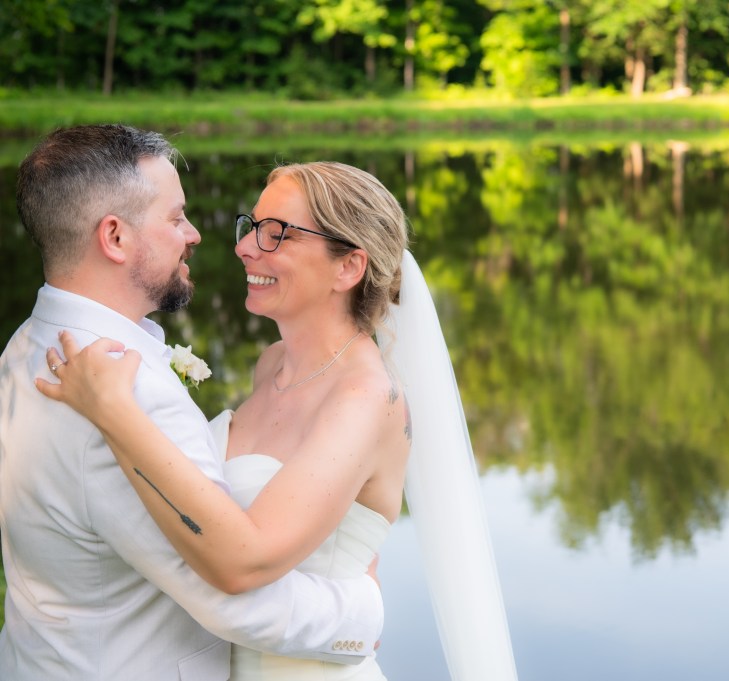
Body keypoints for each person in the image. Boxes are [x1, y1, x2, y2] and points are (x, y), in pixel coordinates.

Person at [38, 161, 519, 681]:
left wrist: (114, 412)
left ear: (348, 268)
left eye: (277, 234)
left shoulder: (366, 396)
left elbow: (246, 560)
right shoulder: (272, 364)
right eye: (252, 227)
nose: (245, 248)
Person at [0, 125, 384, 681]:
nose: (199, 235)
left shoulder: (27, 344)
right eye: (176, 217)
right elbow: (226, 593)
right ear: (115, 237)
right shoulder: (121, 392)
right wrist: (365, 613)